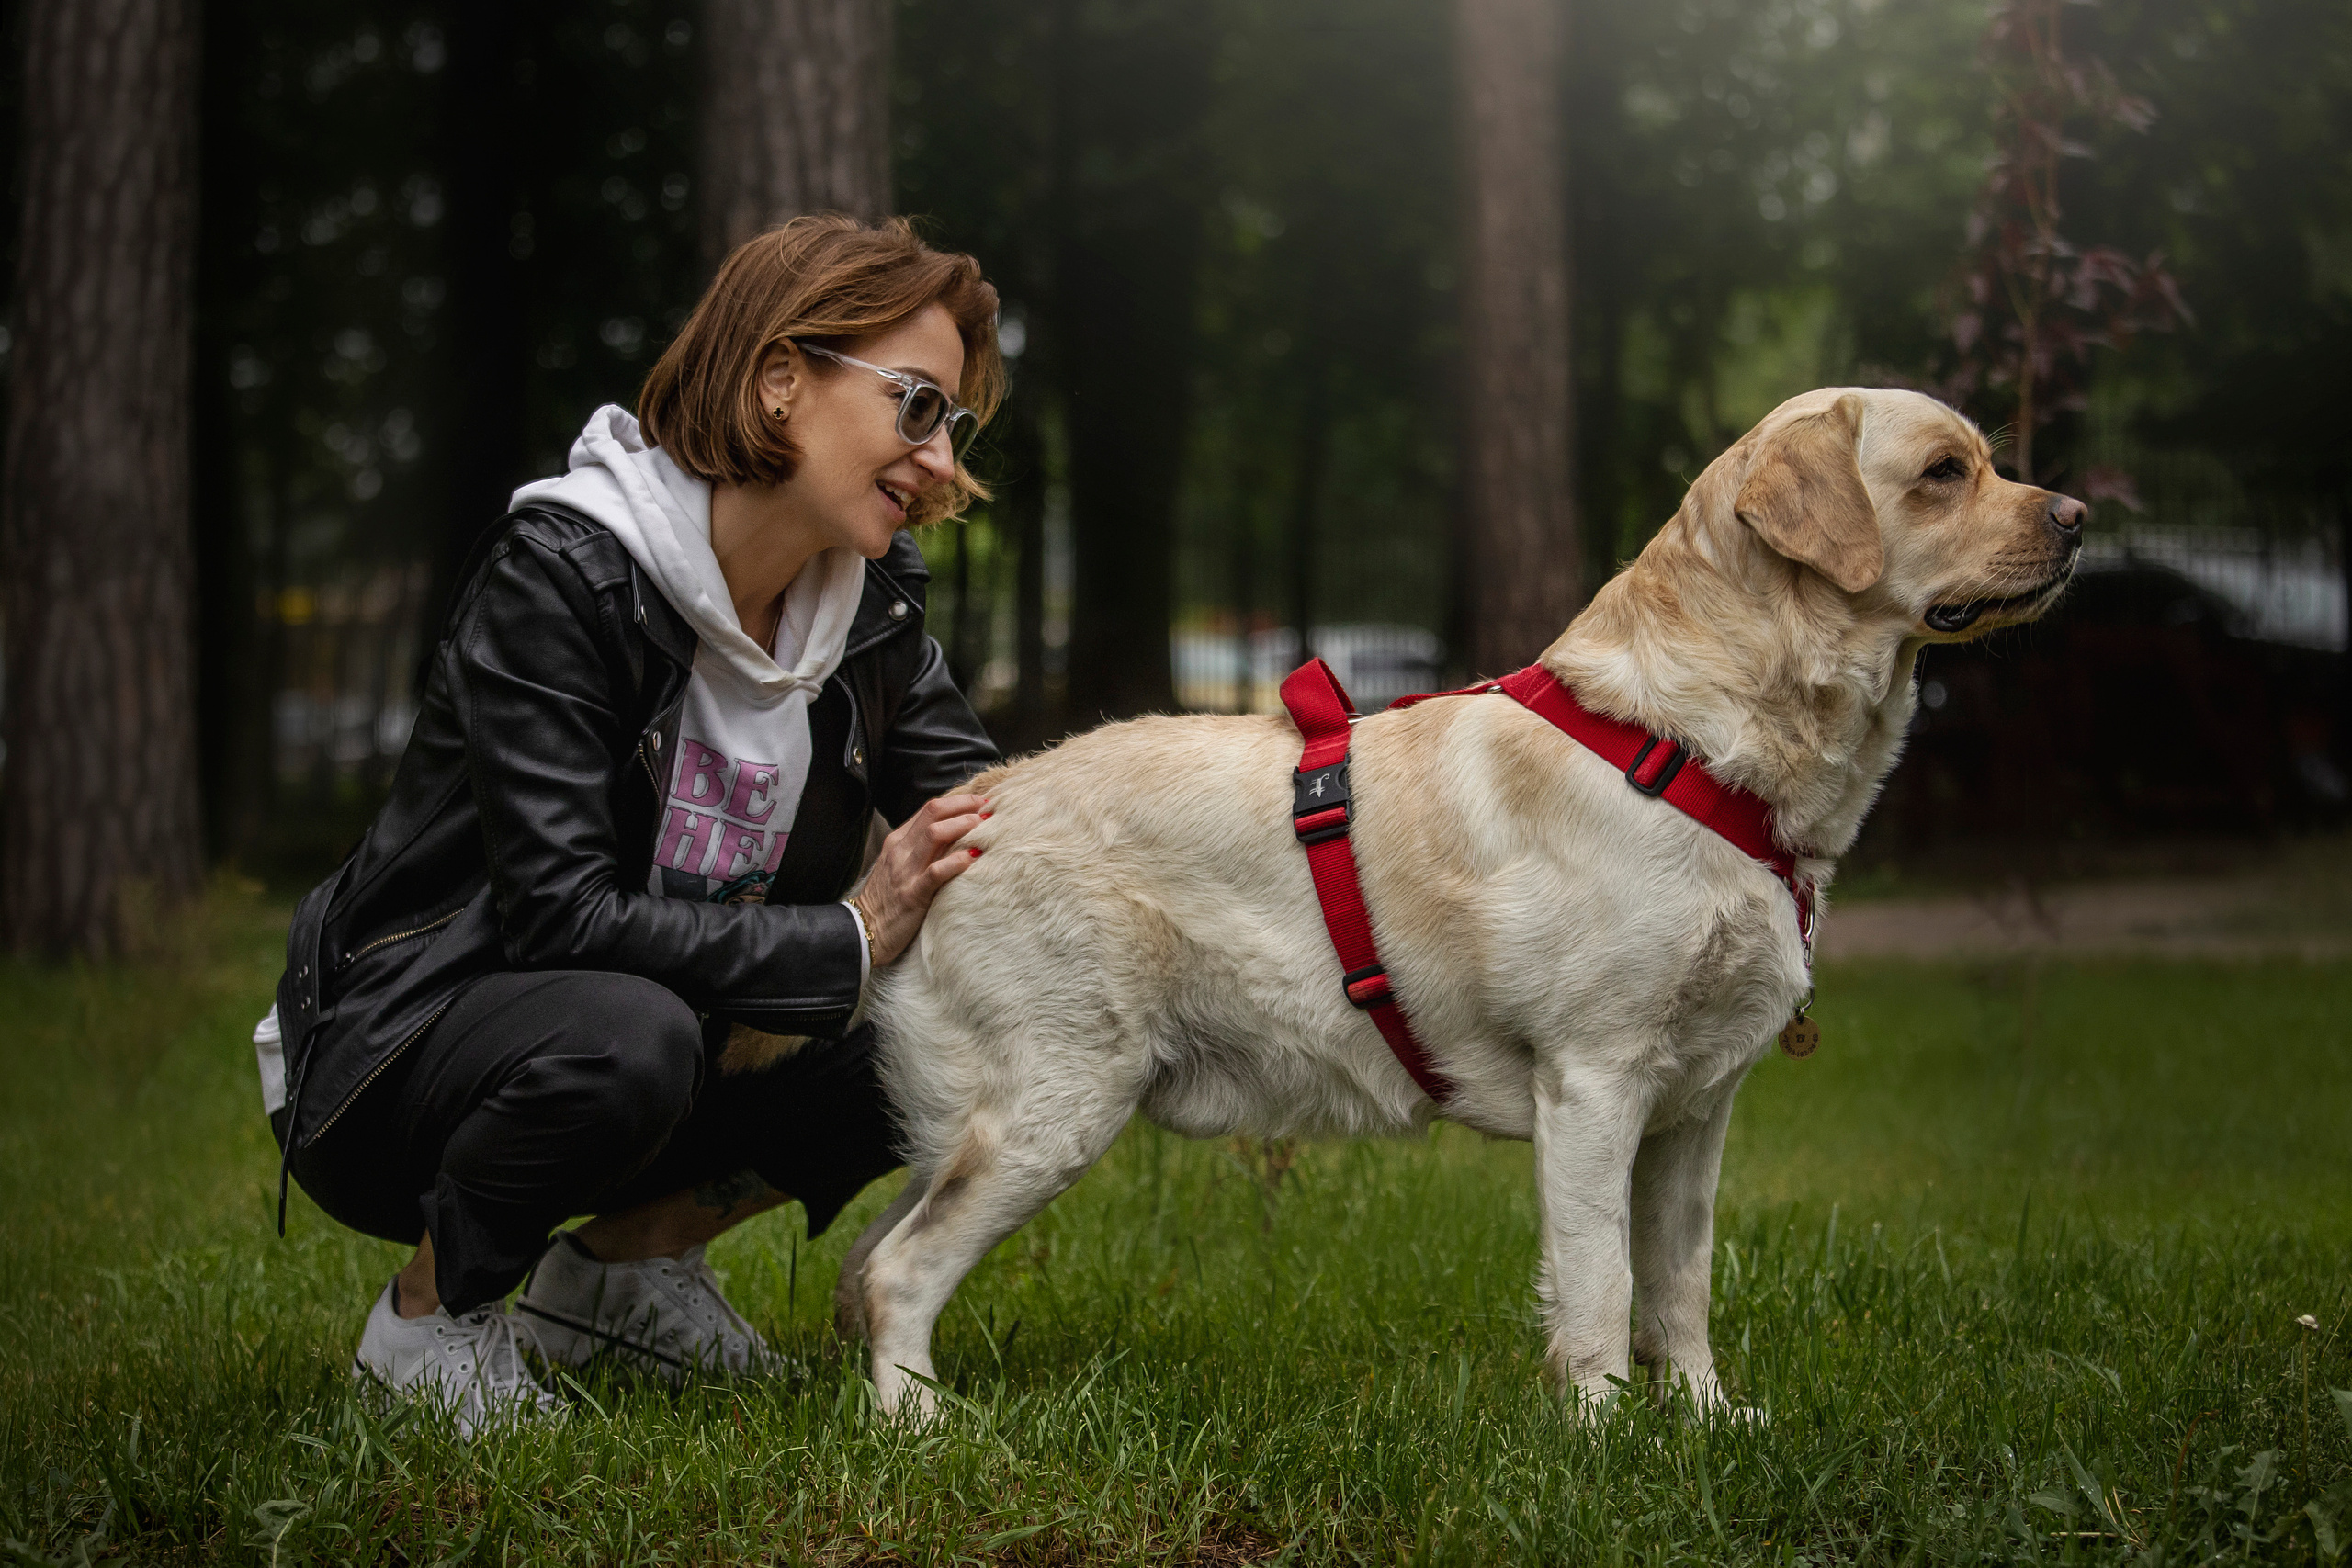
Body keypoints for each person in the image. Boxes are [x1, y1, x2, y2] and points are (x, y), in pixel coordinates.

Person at [253, 215, 1003, 1434]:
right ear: (781, 378)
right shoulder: (562, 575)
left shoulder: (868, 611)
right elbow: (560, 914)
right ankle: (425, 1329)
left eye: (953, 424)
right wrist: (853, 932)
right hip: (407, 1061)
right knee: (633, 1031)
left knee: (959, 1015)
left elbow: (989, 817)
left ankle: (616, 1274)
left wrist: (1220, 820)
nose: (940, 459)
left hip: (666, 1054)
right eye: (917, 405)